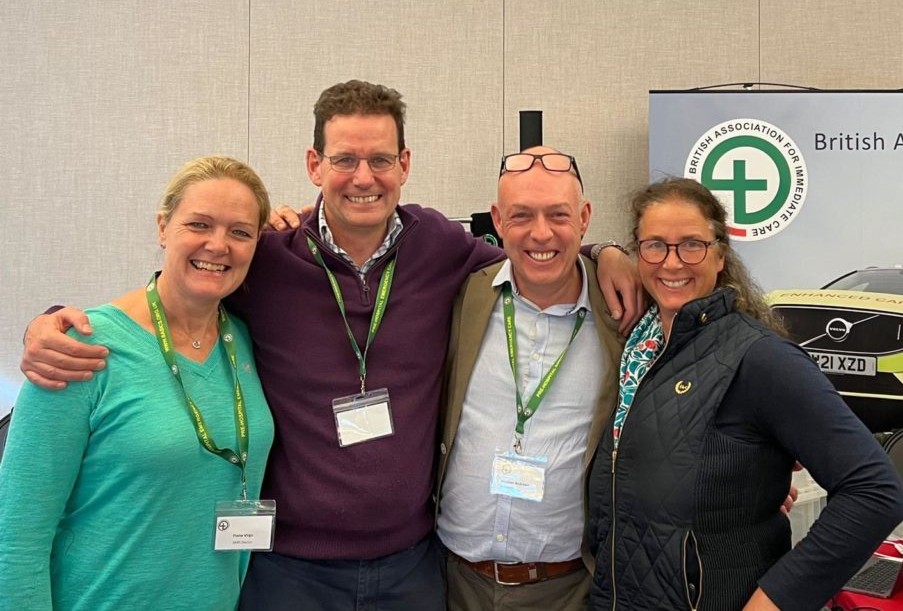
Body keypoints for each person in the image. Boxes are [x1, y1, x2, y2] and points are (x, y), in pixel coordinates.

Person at [19, 80, 642, 610]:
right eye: (345, 159)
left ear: (405, 164)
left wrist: (607, 254)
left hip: (411, 565)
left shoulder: (439, 246)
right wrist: (57, 324)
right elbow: (181, 292)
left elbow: (533, 255)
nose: (363, 177)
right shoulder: (267, 256)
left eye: (380, 159)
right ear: (315, 165)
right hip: (287, 569)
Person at [587, 178, 903, 611]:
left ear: (720, 255)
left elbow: (875, 491)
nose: (672, 262)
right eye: (655, 245)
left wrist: (776, 600)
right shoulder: (637, 349)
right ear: (637, 254)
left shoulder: (760, 359)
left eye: (692, 245)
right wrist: (600, 251)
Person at [0, 157, 275, 610]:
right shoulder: (79, 349)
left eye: (240, 232)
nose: (218, 245)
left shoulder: (245, 341)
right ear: (163, 227)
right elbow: (15, 537)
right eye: (199, 224)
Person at [437, 146, 626, 611]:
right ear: (498, 220)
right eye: (522, 215)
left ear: (584, 217)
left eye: (558, 214)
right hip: (453, 583)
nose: (541, 233)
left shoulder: (624, 311)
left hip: (569, 589)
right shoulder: (462, 294)